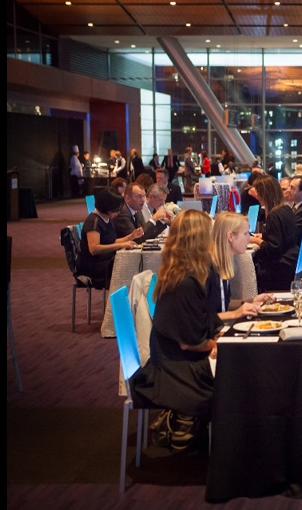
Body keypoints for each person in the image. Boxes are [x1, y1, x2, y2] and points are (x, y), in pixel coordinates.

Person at [130, 211, 253, 450]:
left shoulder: (183, 273)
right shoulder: (185, 282)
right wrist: (217, 344)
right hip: (175, 368)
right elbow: (189, 342)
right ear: (198, 239)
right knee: (240, 375)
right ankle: (232, 450)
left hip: (175, 358)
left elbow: (199, 322)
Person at [209, 212, 275, 321]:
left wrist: (251, 301)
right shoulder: (208, 269)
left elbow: (223, 305)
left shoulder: (224, 264)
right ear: (230, 236)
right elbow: (199, 320)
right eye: (245, 234)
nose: (249, 239)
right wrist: (235, 314)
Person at [78, 187, 143, 287]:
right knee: (129, 265)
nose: (119, 212)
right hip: (94, 267)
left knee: (133, 263)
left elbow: (110, 241)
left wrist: (131, 237)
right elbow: (94, 249)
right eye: (116, 209)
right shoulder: (94, 221)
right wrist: (121, 245)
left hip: (105, 261)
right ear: (107, 207)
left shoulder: (107, 218)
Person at [249, 175, 299, 291]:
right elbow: (282, 237)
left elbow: (274, 249)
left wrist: (255, 240)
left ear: (264, 194)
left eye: (258, 193)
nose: (257, 196)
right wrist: (264, 236)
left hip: (280, 267)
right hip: (291, 261)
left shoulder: (274, 215)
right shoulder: (285, 209)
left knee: (248, 269)